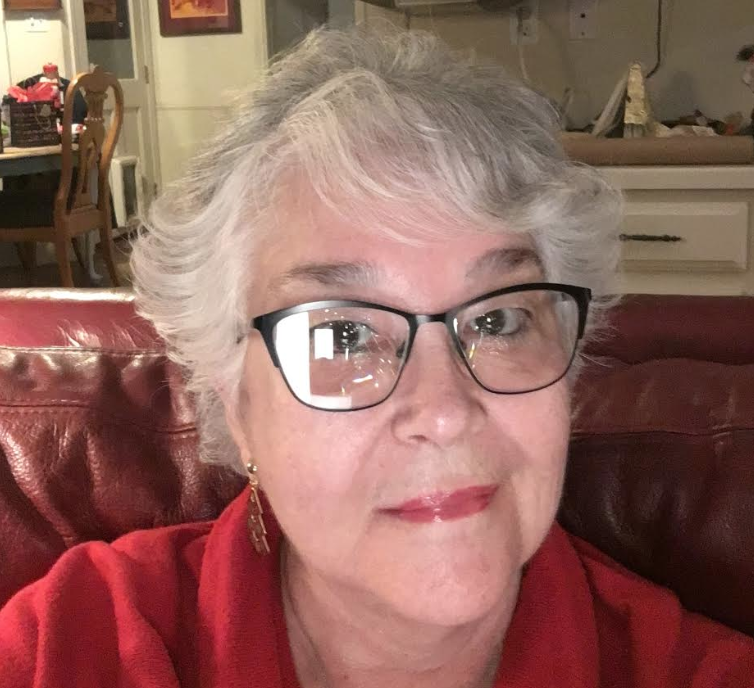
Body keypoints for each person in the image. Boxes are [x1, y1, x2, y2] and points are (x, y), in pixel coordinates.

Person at [1, 26, 753, 688]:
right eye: (345, 335)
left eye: (497, 319)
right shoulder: (73, 646)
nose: (445, 413)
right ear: (237, 404)